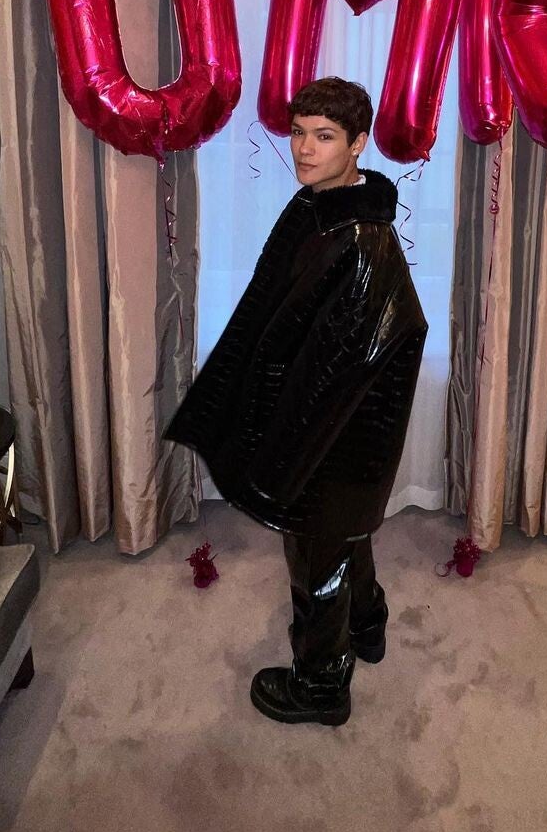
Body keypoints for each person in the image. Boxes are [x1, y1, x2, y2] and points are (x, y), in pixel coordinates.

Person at [166, 76, 427, 726]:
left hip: (335, 435)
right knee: (346, 533)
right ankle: (367, 624)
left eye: (325, 136)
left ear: (358, 144)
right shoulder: (321, 210)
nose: (305, 150)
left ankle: (321, 685)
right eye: (299, 133)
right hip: (346, 431)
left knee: (317, 556)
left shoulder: (359, 240)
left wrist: (288, 448)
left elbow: (337, 369)